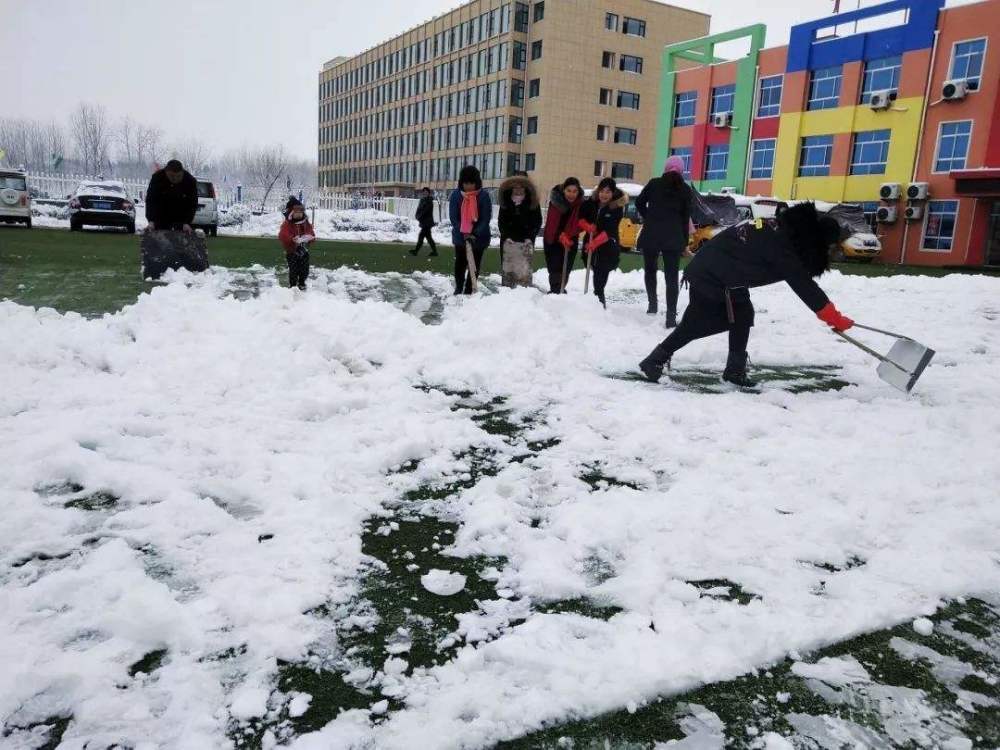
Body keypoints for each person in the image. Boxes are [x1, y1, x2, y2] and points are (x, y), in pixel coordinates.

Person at [638, 202, 853, 388]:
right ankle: (663, 361)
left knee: (737, 315)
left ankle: (730, 369)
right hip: (715, 274)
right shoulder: (784, 244)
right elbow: (803, 285)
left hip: (717, 271)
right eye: (830, 246)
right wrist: (832, 316)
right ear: (819, 240)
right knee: (707, 321)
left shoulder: (784, 230)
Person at [636, 156, 693, 327]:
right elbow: (685, 219)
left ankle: (652, 306)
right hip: (674, 237)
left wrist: (649, 217)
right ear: (682, 170)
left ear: (666, 168)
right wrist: (684, 242)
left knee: (650, 270)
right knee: (671, 277)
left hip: (651, 234)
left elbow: (639, 202)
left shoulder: (654, 183)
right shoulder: (685, 189)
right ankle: (670, 317)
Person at [578, 177, 626, 308]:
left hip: (607, 247)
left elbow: (609, 231)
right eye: (602, 191)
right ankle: (594, 300)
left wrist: (594, 243)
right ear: (598, 191)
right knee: (595, 270)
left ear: (613, 193)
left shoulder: (616, 208)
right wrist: (586, 226)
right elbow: (580, 216)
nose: (604, 195)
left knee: (601, 274)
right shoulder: (591, 203)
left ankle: (599, 301)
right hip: (590, 245)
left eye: (608, 192)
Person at [449, 165, 492, 295]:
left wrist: (474, 233)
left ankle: (469, 289)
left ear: (477, 182)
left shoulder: (483, 196)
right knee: (460, 263)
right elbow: (453, 217)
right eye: (466, 183)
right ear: (461, 183)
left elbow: (486, 218)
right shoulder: (456, 195)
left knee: (474, 264)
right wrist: (464, 232)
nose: (469, 186)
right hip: (461, 237)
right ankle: (459, 287)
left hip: (479, 238)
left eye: (471, 183)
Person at [542, 177, 586, 294]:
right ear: (563, 190)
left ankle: (560, 290)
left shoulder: (581, 205)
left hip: (571, 240)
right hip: (553, 240)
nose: (571, 194)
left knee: (566, 269)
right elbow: (552, 223)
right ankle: (556, 291)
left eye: (574, 191)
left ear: (578, 192)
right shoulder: (556, 202)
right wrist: (560, 236)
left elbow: (581, 222)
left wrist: (577, 230)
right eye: (568, 191)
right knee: (555, 268)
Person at [497, 173, 542, 286]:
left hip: (526, 241)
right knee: (508, 270)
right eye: (516, 186)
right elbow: (501, 222)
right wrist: (507, 236)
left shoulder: (533, 202)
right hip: (508, 242)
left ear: (526, 187)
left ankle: (523, 294)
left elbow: (537, 222)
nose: (518, 189)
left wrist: (530, 237)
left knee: (524, 271)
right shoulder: (506, 200)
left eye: (521, 186)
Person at [144, 159, 198, 233]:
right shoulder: (157, 178)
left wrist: (187, 222)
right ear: (166, 172)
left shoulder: (190, 181)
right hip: (160, 218)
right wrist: (151, 220)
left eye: (178, 176)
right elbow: (151, 200)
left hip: (181, 219)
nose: (175, 179)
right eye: (172, 176)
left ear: (182, 172)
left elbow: (192, 204)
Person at [278, 196, 315, 290]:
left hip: (303, 250)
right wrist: (291, 239)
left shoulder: (305, 223)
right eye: (296, 213)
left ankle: (302, 282)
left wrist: (309, 238)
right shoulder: (287, 224)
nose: (299, 215)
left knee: (304, 268)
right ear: (291, 213)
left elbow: (311, 232)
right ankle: (293, 285)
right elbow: (282, 235)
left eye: (301, 212)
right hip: (292, 251)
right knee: (294, 269)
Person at [411, 187, 438, 257]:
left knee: (421, 236)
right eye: (424, 192)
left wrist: (419, 217)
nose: (425, 193)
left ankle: (416, 251)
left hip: (427, 222)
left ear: (429, 193)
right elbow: (419, 209)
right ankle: (435, 252)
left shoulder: (429, 201)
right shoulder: (423, 200)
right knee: (429, 238)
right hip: (424, 222)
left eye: (426, 192)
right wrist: (417, 216)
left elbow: (425, 211)